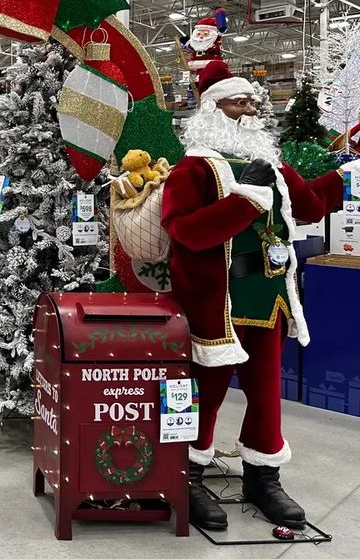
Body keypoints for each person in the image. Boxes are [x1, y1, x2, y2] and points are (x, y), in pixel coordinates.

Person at [161, 60, 359, 532]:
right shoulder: (193, 168)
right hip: (215, 301)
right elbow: (185, 232)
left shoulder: (271, 161)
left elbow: (311, 204)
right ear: (213, 109)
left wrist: (348, 175)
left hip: (268, 297)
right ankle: (186, 474)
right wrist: (244, 201)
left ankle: (263, 476)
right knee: (204, 393)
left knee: (266, 394)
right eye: (239, 102)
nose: (250, 110)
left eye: (252, 102)